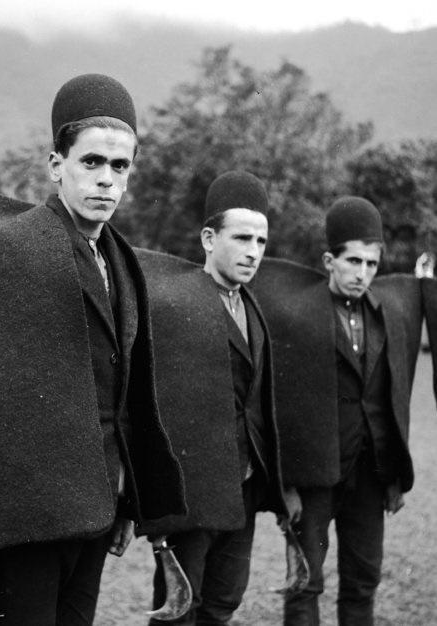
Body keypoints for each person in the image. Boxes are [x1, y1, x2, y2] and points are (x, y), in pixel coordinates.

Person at [0, 73, 185, 626]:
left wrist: (125, 498)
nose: (106, 181)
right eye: (91, 162)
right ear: (56, 166)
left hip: (97, 508)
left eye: (120, 167)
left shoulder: (120, 260)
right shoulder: (16, 253)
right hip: (30, 519)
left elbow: (124, 395)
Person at [137, 171, 299, 625]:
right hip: (192, 494)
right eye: (242, 237)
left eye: (262, 241)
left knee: (224, 603)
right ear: (209, 238)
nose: (253, 251)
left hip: (244, 488)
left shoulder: (251, 307)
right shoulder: (175, 305)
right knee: (178, 611)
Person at [253, 197, 417, 626]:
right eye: (353, 261)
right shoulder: (298, 316)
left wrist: (394, 474)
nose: (362, 274)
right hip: (313, 478)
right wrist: (284, 485)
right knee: (305, 582)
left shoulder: (387, 317)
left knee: (363, 581)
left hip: (369, 475)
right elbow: (278, 403)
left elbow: (391, 398)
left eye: (371, 264)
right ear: (330, 260)